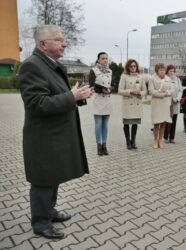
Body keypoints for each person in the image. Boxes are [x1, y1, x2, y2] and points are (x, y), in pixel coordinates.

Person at [18, 25, 92, 239]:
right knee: (43, 179)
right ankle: (40, 223)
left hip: (55, 135)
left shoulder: (50, 65)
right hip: (43, 137)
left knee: (53, 176)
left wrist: (78, 96)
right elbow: (37, 103)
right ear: (43, 44)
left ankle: (49, 211)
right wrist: (71, 97)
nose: (64, 43)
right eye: (58, 40)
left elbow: (57, 95)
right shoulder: (31, 66)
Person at [89, 52, 114, 155]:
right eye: (103, 58)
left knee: (105, 125)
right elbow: (91, 85)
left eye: (106, 58)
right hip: (98, 100)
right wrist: (102, 90)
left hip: (107, 101)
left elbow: (113, 84)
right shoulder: (93, 70)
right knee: (98, 124)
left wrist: (111, 89)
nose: (105, 60)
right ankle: (99, 145)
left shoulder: (110, 71)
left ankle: (104, 145)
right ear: (98, 60)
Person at [118, 59, 147, 149]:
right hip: (128, 103)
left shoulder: (141, 77)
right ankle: (128, 142)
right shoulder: (124, 76)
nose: (133, 67)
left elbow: (145, 90)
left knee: (135, 123)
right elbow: (119, 91)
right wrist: (131, 91)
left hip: (137, 102)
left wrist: (140, 93)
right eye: (131, 66)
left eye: (135, 66)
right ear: (128, 67)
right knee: (126, 123)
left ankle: (133, 141)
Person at [149, 63, 174, 148]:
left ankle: (160, 140)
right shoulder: (152, 78)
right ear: (157, 70)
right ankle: (155, 140)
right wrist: (161, 94)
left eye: (163, 70)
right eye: (160, 70)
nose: (162, 71)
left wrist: (167, 92)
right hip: (156, 103)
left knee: (163, 123)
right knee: (156, 123)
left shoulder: (168, 78)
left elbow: (172, 89)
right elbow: (151, 91)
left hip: (166, 104)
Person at [164, 65, 183, 143]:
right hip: (167, 103)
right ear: (167, 71)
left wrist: (177, 99)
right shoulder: (164, 79)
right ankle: (165, 137)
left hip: (175, 103)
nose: (172, 72)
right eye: (170, 71)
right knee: (167, 121)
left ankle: (172, 138)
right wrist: (171, 99)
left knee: (174, 121)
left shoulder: (178, 80)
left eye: (173, 71)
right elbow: (164, 90)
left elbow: (180, 90)